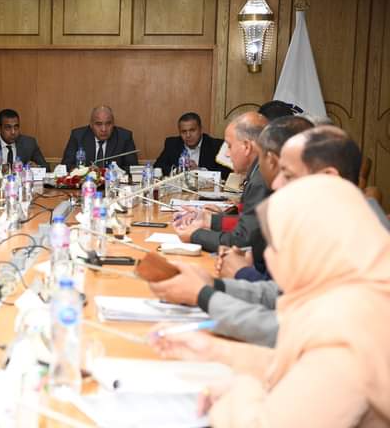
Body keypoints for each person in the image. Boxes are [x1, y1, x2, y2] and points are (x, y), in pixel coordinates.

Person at [153, 175, 390, 427]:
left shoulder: (345, 340)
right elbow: (293, 367)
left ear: (312, 250)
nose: (266, 256)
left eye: (275, 246)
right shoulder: (352, 297)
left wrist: (239, 387)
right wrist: (214, 351)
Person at [150, 126, 386, 348]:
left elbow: (291, 331)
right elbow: (283, 295)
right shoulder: (336, 221)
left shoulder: (359, 242)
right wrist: (214, 285)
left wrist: (203, 296)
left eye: (288, 175)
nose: (277, 184)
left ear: (328, 177)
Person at [174, 111, 269, 253]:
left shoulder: (261, 181)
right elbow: (248, 224)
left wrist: (195, 235)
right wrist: (208, 219)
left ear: (247, 147)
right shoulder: (258, 173)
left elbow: (242, 241)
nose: (227, 154)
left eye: (229, 146)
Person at [60, 105, 139, 170]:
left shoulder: (124, 137)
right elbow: (66, 166)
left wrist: (109, 172)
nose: (104, 129)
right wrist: (86, 171)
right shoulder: (78, 136)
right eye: (98, 124)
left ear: (113, 124)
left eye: (108, 123)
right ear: (91, 125)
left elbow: (132, 169)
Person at [154, 112, 230, 177]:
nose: (188, 135)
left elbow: (227, 172)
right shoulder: (172, 144)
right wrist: (177, 171)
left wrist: (199, 171)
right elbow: (158, 166)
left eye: (192, 130)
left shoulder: (216, 145)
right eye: (184, 132)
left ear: (201, 130)